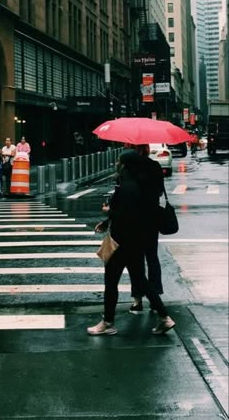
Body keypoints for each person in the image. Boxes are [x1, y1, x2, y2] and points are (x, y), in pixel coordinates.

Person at [87, 149, 175, 337]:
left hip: (122, 240)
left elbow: (126, 213)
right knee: (140, 279)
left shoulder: (128, 185)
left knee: (111, 280)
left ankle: (108, 322)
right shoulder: (141, 183)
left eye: (119, 161)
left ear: (126, 164)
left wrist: (108, 213)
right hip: (137, 238)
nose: (116, 163)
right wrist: (107, 221)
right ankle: (165, 317)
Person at [128, 143, 165, 313]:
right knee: (152, 257)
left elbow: (124, 194)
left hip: (134, 219)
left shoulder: (129, 168)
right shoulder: (155, 166)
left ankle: (137, 300)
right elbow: (159, 191)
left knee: (136, 260)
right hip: (152, 218)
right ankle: (155, 298)